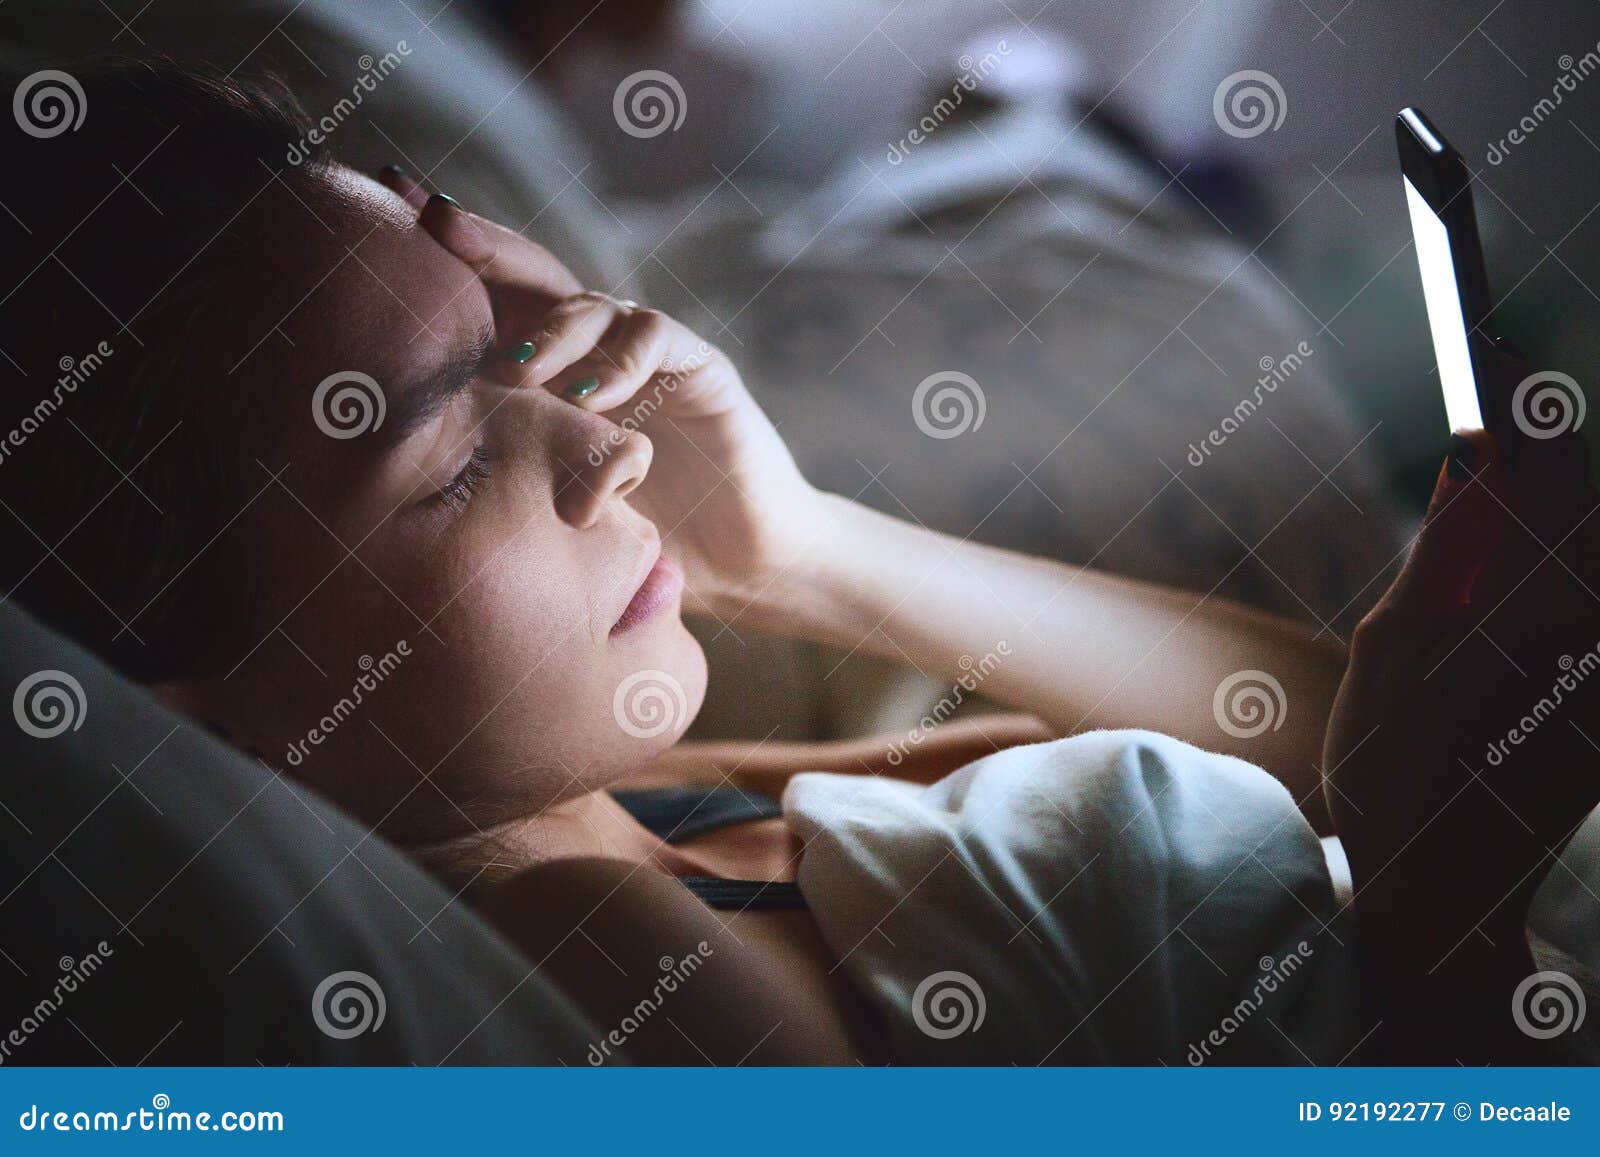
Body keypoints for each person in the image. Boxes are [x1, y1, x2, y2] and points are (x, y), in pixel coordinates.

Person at [1, 60, 1593, 1064]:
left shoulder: (640, 808)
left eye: (509, 351)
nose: (610, 448)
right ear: (199, 711)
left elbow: (1306, 738)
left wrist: (795, 550)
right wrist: (1442, 924)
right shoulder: (588, 952)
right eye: (457, 457)